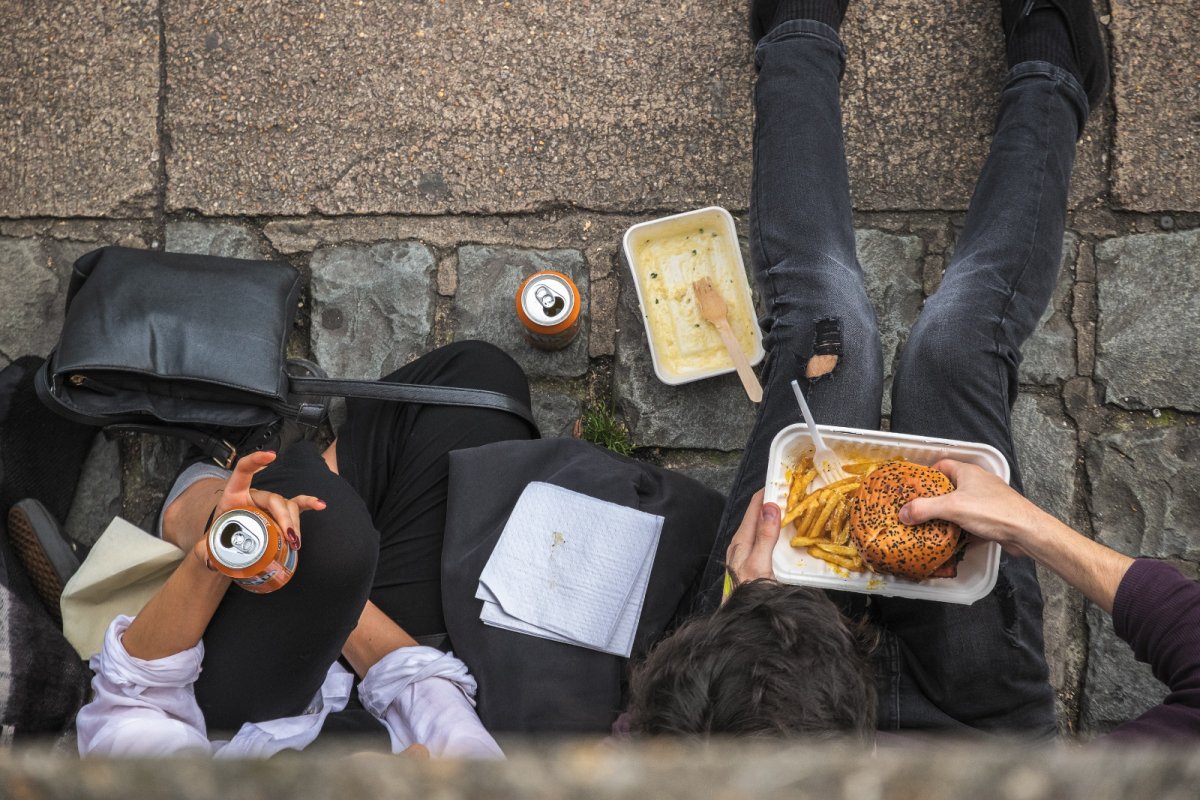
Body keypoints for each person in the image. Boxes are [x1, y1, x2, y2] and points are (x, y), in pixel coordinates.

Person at [626, 0, 1147, 737]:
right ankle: (1053, 77)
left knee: (824, 330)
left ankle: (795, 40)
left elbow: (644, 742)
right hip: (976, 730)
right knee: (956, 345)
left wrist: (752, 610)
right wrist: (1028, 528)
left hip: (747, 684)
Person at [76, 341, 538, 757]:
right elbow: (430, 700)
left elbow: (130, 705)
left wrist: (221, 555)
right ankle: (294, 494)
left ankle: (202, 508)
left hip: (237, 717)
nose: (419, 762)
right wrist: (341, 607)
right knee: (482, 382)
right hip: (372, 686)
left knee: (321, 539)